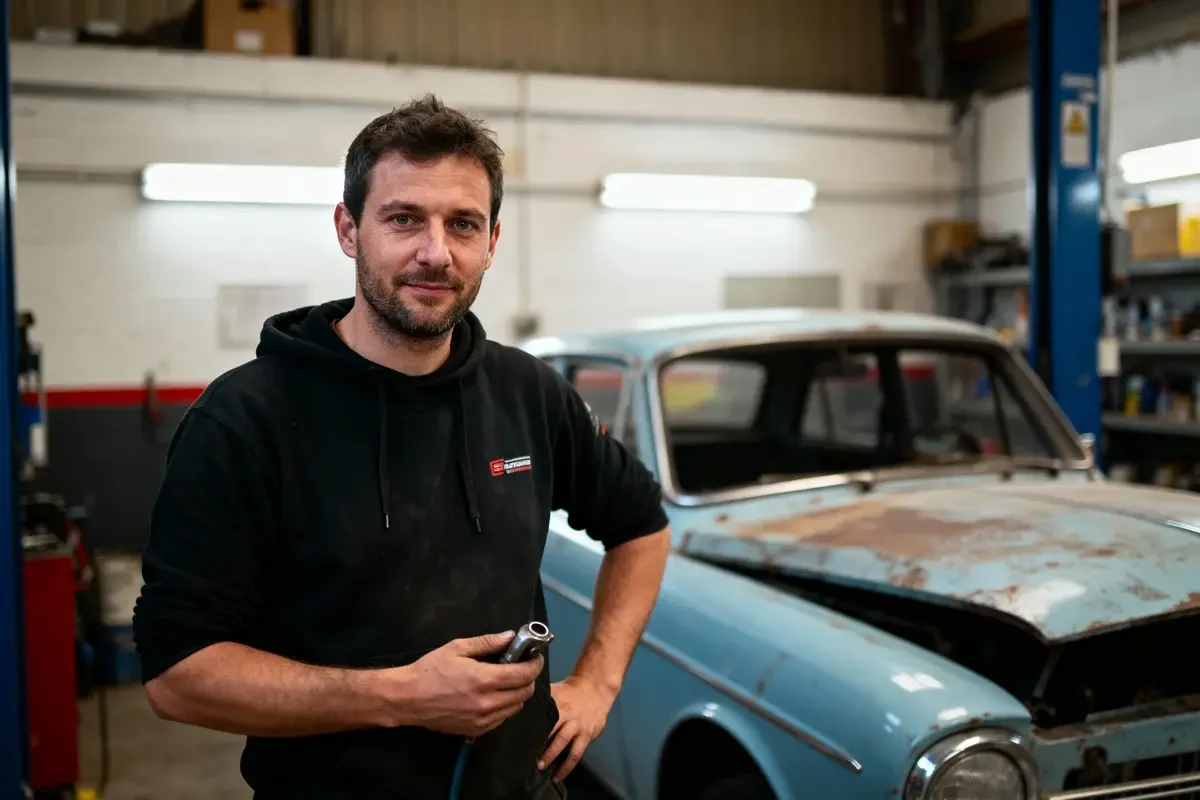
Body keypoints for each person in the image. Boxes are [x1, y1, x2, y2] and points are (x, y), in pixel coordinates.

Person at [131, 93, 672, 799]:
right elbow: (178, 677)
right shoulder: (243, 420)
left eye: (463, 224)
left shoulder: (528, 393)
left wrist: (598, 682)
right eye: (404, 218)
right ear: (348, 229)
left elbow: (641, 526)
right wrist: (401, 696)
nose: (435, 252)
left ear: (493, 242)